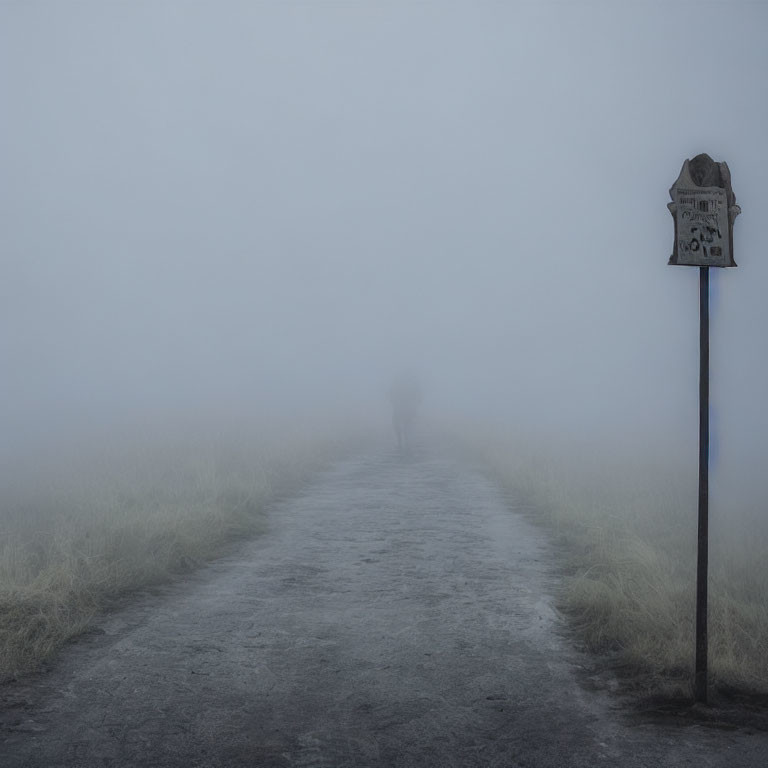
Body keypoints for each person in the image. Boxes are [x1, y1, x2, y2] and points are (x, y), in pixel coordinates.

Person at [389, 372, 422, 451]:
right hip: (403, 408)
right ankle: (404, 442)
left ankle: (402, 442)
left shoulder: (399, 385)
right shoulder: (409, 386)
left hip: (403, 408)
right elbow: (419, 397)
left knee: (401, 425)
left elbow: (418, 396)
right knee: (403, 425)